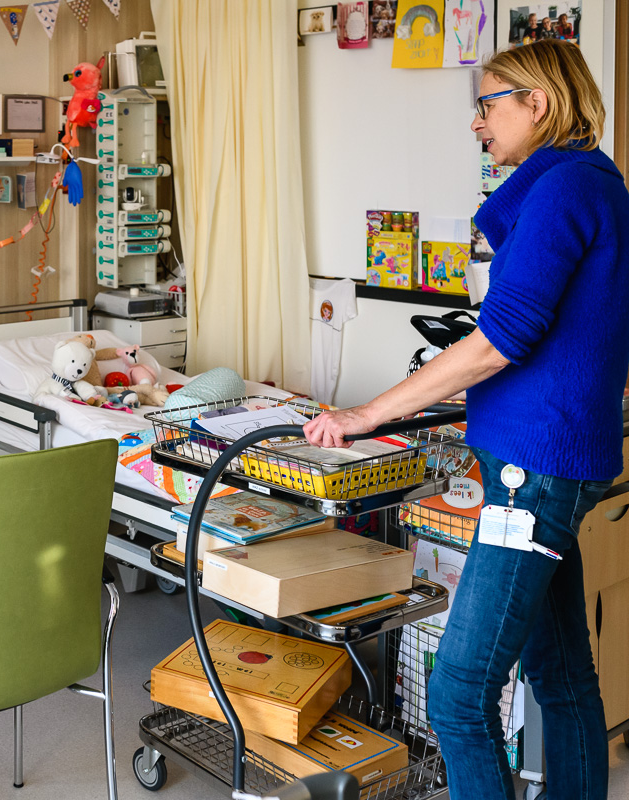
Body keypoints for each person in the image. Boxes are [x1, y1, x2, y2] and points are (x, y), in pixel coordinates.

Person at [304, 40, 629, 799]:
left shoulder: (563, 190)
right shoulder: (596, 184)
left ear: (536, 102)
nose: (477, 123)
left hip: (532, 474)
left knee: (456, 694)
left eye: (486, 105)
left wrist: (364, 414)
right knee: (562, 673)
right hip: (554, 458)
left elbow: (502, 339)